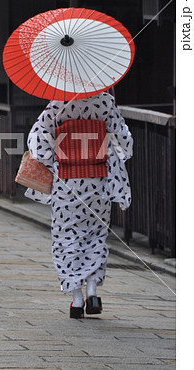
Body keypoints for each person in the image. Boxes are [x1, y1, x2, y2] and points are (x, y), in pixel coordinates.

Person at [25, 91, 133, 318]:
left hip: (67, 180)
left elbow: (38, 137)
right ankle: (92, 290)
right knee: (96, 234)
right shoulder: (106, 100)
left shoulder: (59, 103)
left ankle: (76, 300)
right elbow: (123, 140)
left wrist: (52, 156)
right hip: (98, 178)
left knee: (66, 236)